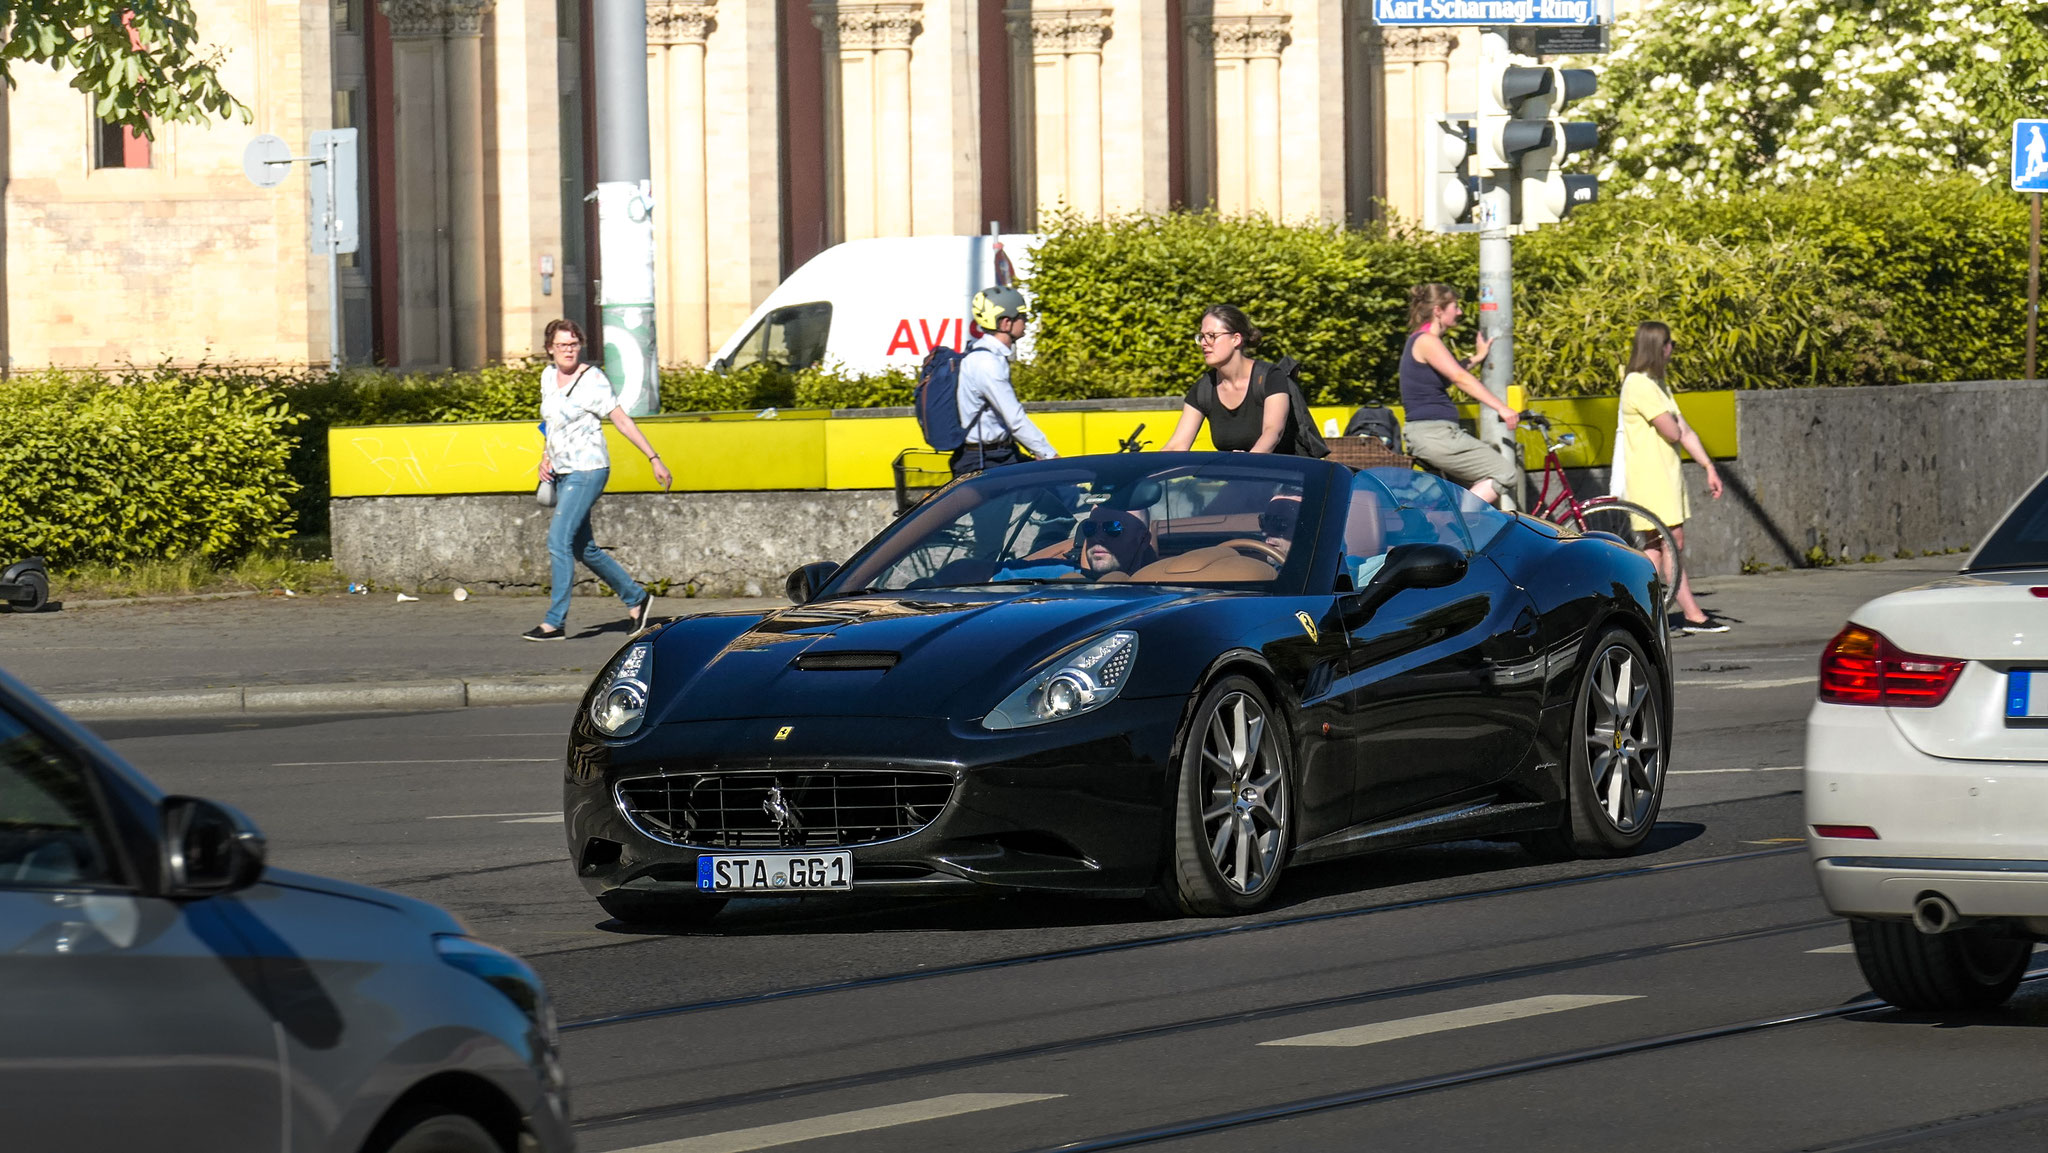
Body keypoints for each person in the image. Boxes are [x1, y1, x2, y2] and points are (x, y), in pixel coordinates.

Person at [523, 318, 673, 642]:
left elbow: (620, 419)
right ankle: (637, 599)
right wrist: (544, 458)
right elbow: (550, 424)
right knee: (584, 548)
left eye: (574, 344)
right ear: (550, 348)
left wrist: (653, 457)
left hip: (588, 469)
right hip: (561, 471)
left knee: (557, 540)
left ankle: (554, 622)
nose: (568, 350)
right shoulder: (548, 377)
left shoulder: (594, 380)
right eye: (562, 345)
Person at [1615, 321, 1727, 633]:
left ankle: (1641, 611)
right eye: (1669, 343)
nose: (1672, 349)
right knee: (1670, 539)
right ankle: (1692, 614)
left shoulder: (1658, 384)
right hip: (1650, 477)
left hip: (1665, 475)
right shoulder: (1638, 384)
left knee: (1655, 546)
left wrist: (1708, 466)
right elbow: (1673, 430)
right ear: (1657, 347)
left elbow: (1684, 430)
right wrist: (1676, 427)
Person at [1399, 284, 1521, 506]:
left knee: (1459, 491)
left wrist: (1477, 357)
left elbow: (1450, 370)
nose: (1459, 312)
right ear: (1438, 310)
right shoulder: (1426, 340)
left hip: (1435, 434)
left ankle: (1454, 525)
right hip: (1435, 435)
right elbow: (1458, 377)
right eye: (1455, 307)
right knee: (1505, 473)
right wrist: (1501, 407)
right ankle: (1459, 526)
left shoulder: (1421, 340)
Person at [1163, 305, 1301, 455]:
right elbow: (1176, 446)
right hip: (1235, 477)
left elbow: (1272, 433)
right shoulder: (1204, 388)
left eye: (1211, 336)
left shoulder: (1270, 377)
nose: (1203, 343)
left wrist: (1245, 464)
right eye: (1202, 336)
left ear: (1236, 339)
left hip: (1281, 474)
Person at [954, 286, 1059, 477]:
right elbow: (1015, 419)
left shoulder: (986, 355)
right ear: (1005, 323)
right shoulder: (986, 363)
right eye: (1021, 316)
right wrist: (1048, 454)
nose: (1026, 321)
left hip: (1000, 454)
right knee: (1057, 486)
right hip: (985, 460)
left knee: (1053, 493)